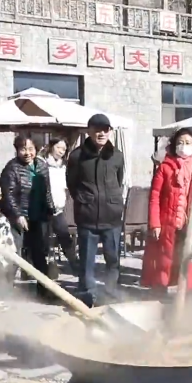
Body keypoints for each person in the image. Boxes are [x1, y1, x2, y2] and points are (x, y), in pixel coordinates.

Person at [141, 128, 192, 294]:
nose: (184, 146)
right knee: (165, 262)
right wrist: (155, 223)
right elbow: (154, 197)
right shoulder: (165, 168)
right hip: (168, 224)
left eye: (188, 143)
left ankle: (189, 298)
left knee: (190, 262)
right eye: (180, 143)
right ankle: (159, 295)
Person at [66, 114, 125, 304]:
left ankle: (110, 292)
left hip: (112, 216)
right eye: (97, 129)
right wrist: (85, 200)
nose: (101, 133)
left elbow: (120, 180)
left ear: (110, 131)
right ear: (88, 131)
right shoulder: (77, 156)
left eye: (105, 129)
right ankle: (87, 294)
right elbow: (72, 183)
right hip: (87, 216)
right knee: (87, 261)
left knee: (113, 259)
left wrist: (112, 200)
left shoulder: (117, 156)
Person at [0, 136, 55, 298]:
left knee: (40, 254)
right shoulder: (12, 168)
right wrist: (18, 215)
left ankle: (44, 291)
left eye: (30, 149)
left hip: (39, 216)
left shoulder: (42, 165)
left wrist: (51, 210)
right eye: (23, 149)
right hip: (19, 217)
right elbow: (8, 195)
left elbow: (47, 190)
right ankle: (4, 291)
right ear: (17, 150)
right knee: (14, 254)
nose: (27, 153)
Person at [44, 137, 79, 272]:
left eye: (64, 149)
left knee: (64, 236)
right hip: (44, 208)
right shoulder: (43, 164)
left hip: (58, 208)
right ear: (52, 146)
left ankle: (75, 264)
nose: (61, 151)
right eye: (58, 147)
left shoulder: (63, 166)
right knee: (43, 240)